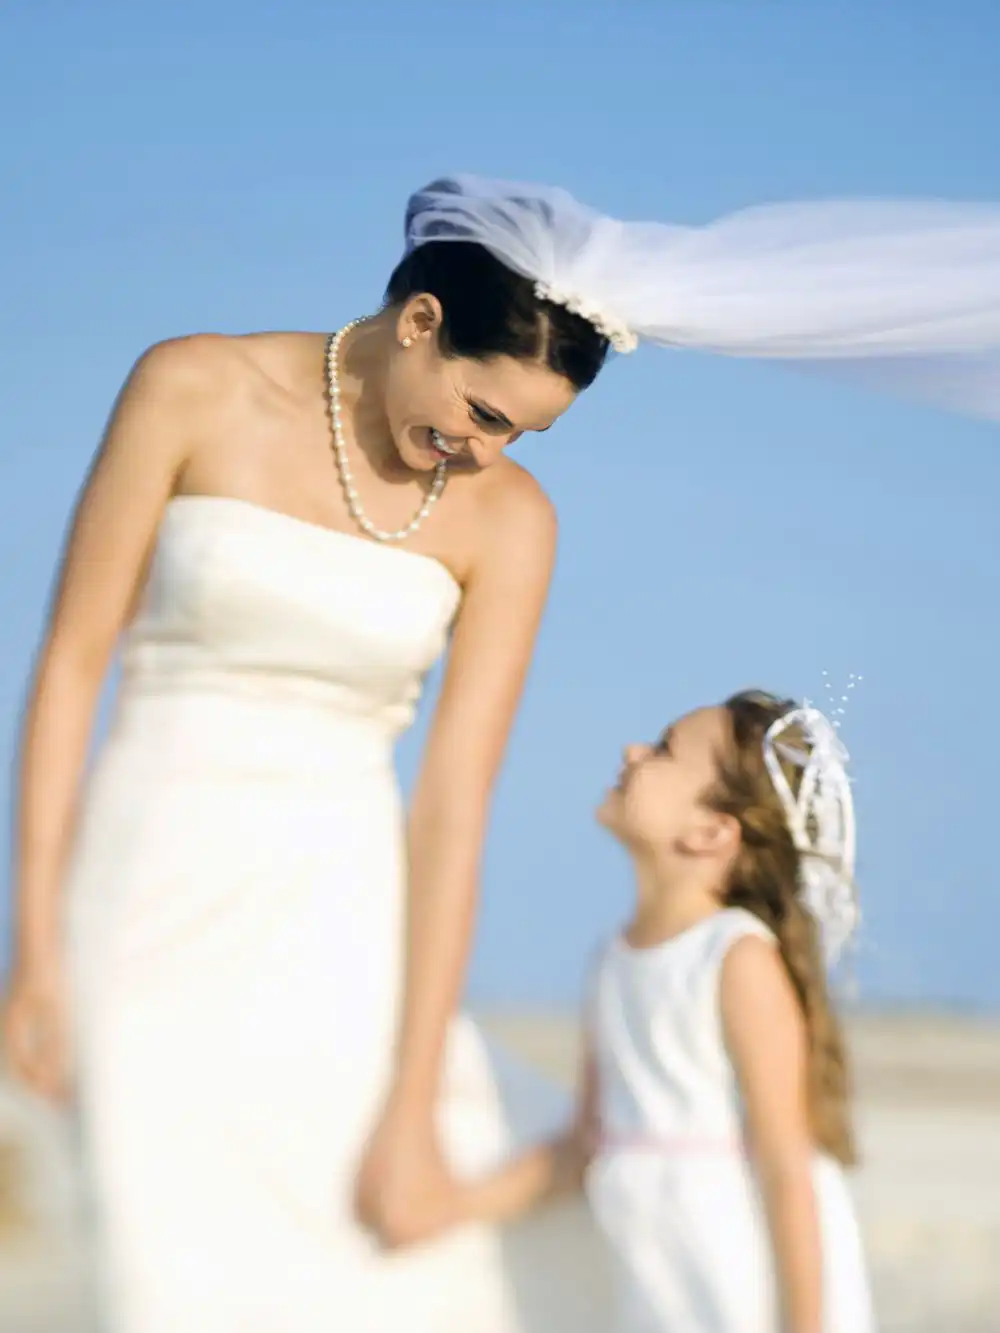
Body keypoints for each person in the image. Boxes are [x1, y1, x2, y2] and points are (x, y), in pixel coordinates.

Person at [4, 171, 998, 1332]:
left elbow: (453, 811)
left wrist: (415, 1097)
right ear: (419, 321)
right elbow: (72, 665)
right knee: (158, 1246)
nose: (483, 451)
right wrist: (37, 954)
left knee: (376, 1267)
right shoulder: (186, 386)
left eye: (522, 432)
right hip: (144, 879)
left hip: (343, 905)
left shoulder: (512, 520)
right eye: (482, 411)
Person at [460, 690, 874, 1333]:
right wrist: (450, 1208)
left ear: (710, 831)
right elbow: (582, 1143)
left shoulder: (735, 958)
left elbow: (786, 1168)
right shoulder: (613, 959)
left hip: (738, 1264)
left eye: (662, 750)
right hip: (657, 1266)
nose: (632, 751)